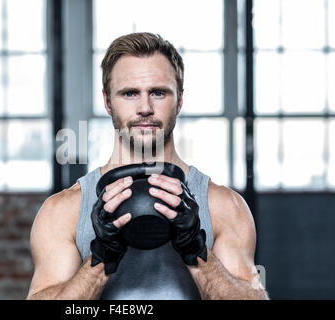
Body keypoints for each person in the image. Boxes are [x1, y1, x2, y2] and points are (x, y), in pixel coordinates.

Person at [27, 32, 269, 300]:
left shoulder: (223, 205)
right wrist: (100, 261)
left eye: (158, 92)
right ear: (108, 101)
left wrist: (196, 251)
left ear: (179, 100)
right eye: (130, 93)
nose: (145, 107)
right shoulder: (64, 211)